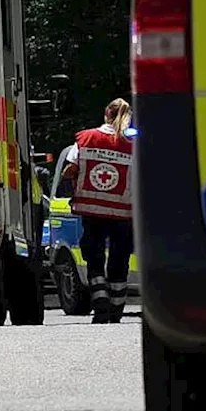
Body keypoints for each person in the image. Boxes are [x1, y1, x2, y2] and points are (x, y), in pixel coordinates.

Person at [63, 98, 135, 323]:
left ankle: (101, 304)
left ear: (106, 114)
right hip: (124, 213)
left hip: (92, 210)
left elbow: (69, 170)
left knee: (94, 257)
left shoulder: (86, 139)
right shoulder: (134, 143)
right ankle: (116, 311)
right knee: (119, 259)